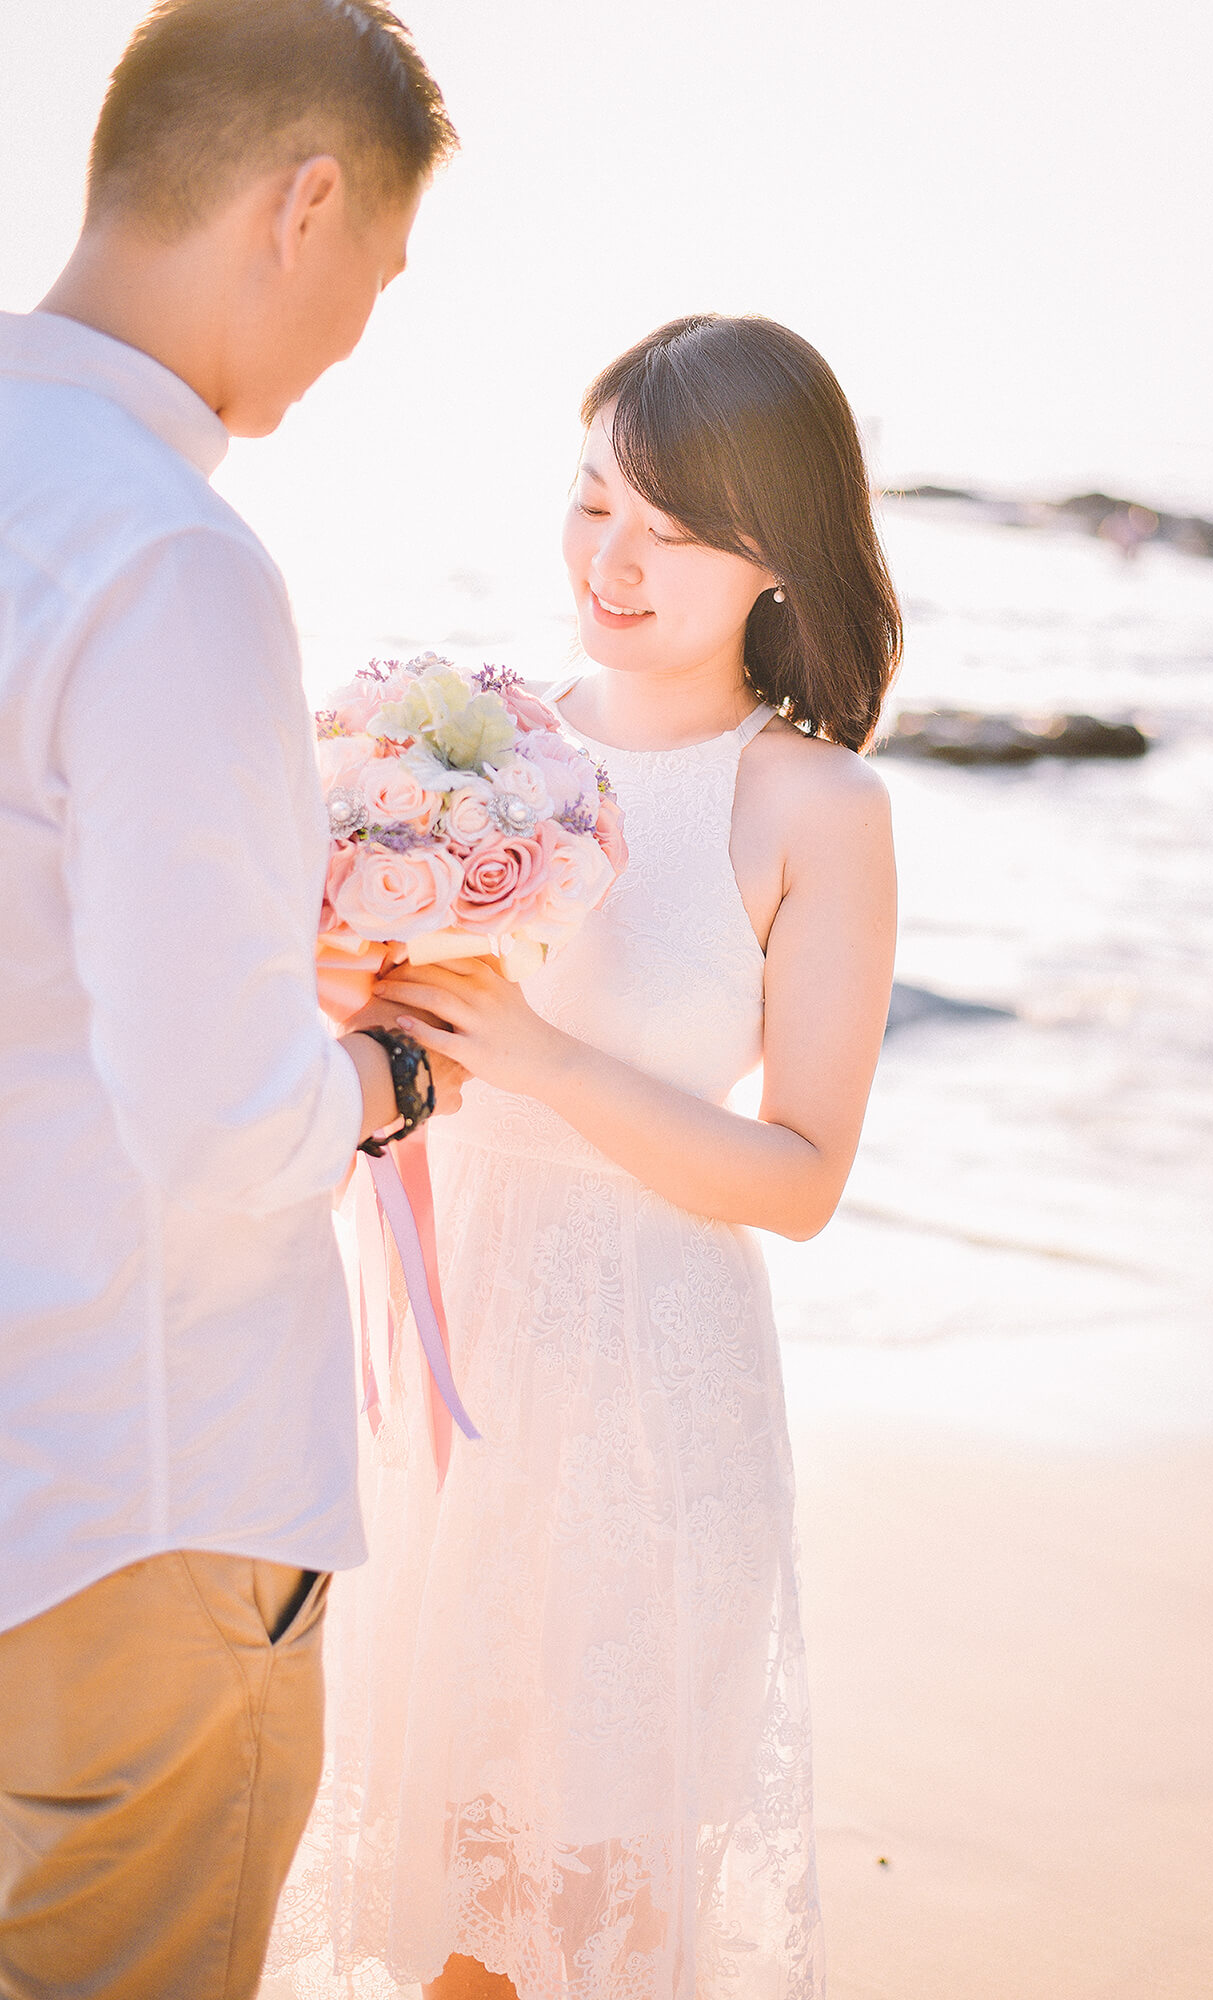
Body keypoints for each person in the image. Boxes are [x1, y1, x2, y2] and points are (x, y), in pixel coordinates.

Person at [267, 314, 900, 2000]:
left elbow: (802, 1176)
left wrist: (545, 1060)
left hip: (641, 1379)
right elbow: (333, 1058)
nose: (613, 561)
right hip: (425, 1344)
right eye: (594, 501)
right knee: (405, 1869)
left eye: (674, 533)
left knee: (550, 1919)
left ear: (780, 555)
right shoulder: (462, 745)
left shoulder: (810, 807)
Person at [0, 5, 460, 1994]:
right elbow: (216, 1134)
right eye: (386, 267)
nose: (368, 323)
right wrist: (375, 1072)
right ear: (308, 200)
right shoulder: (165, 558)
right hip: (131, 1495)